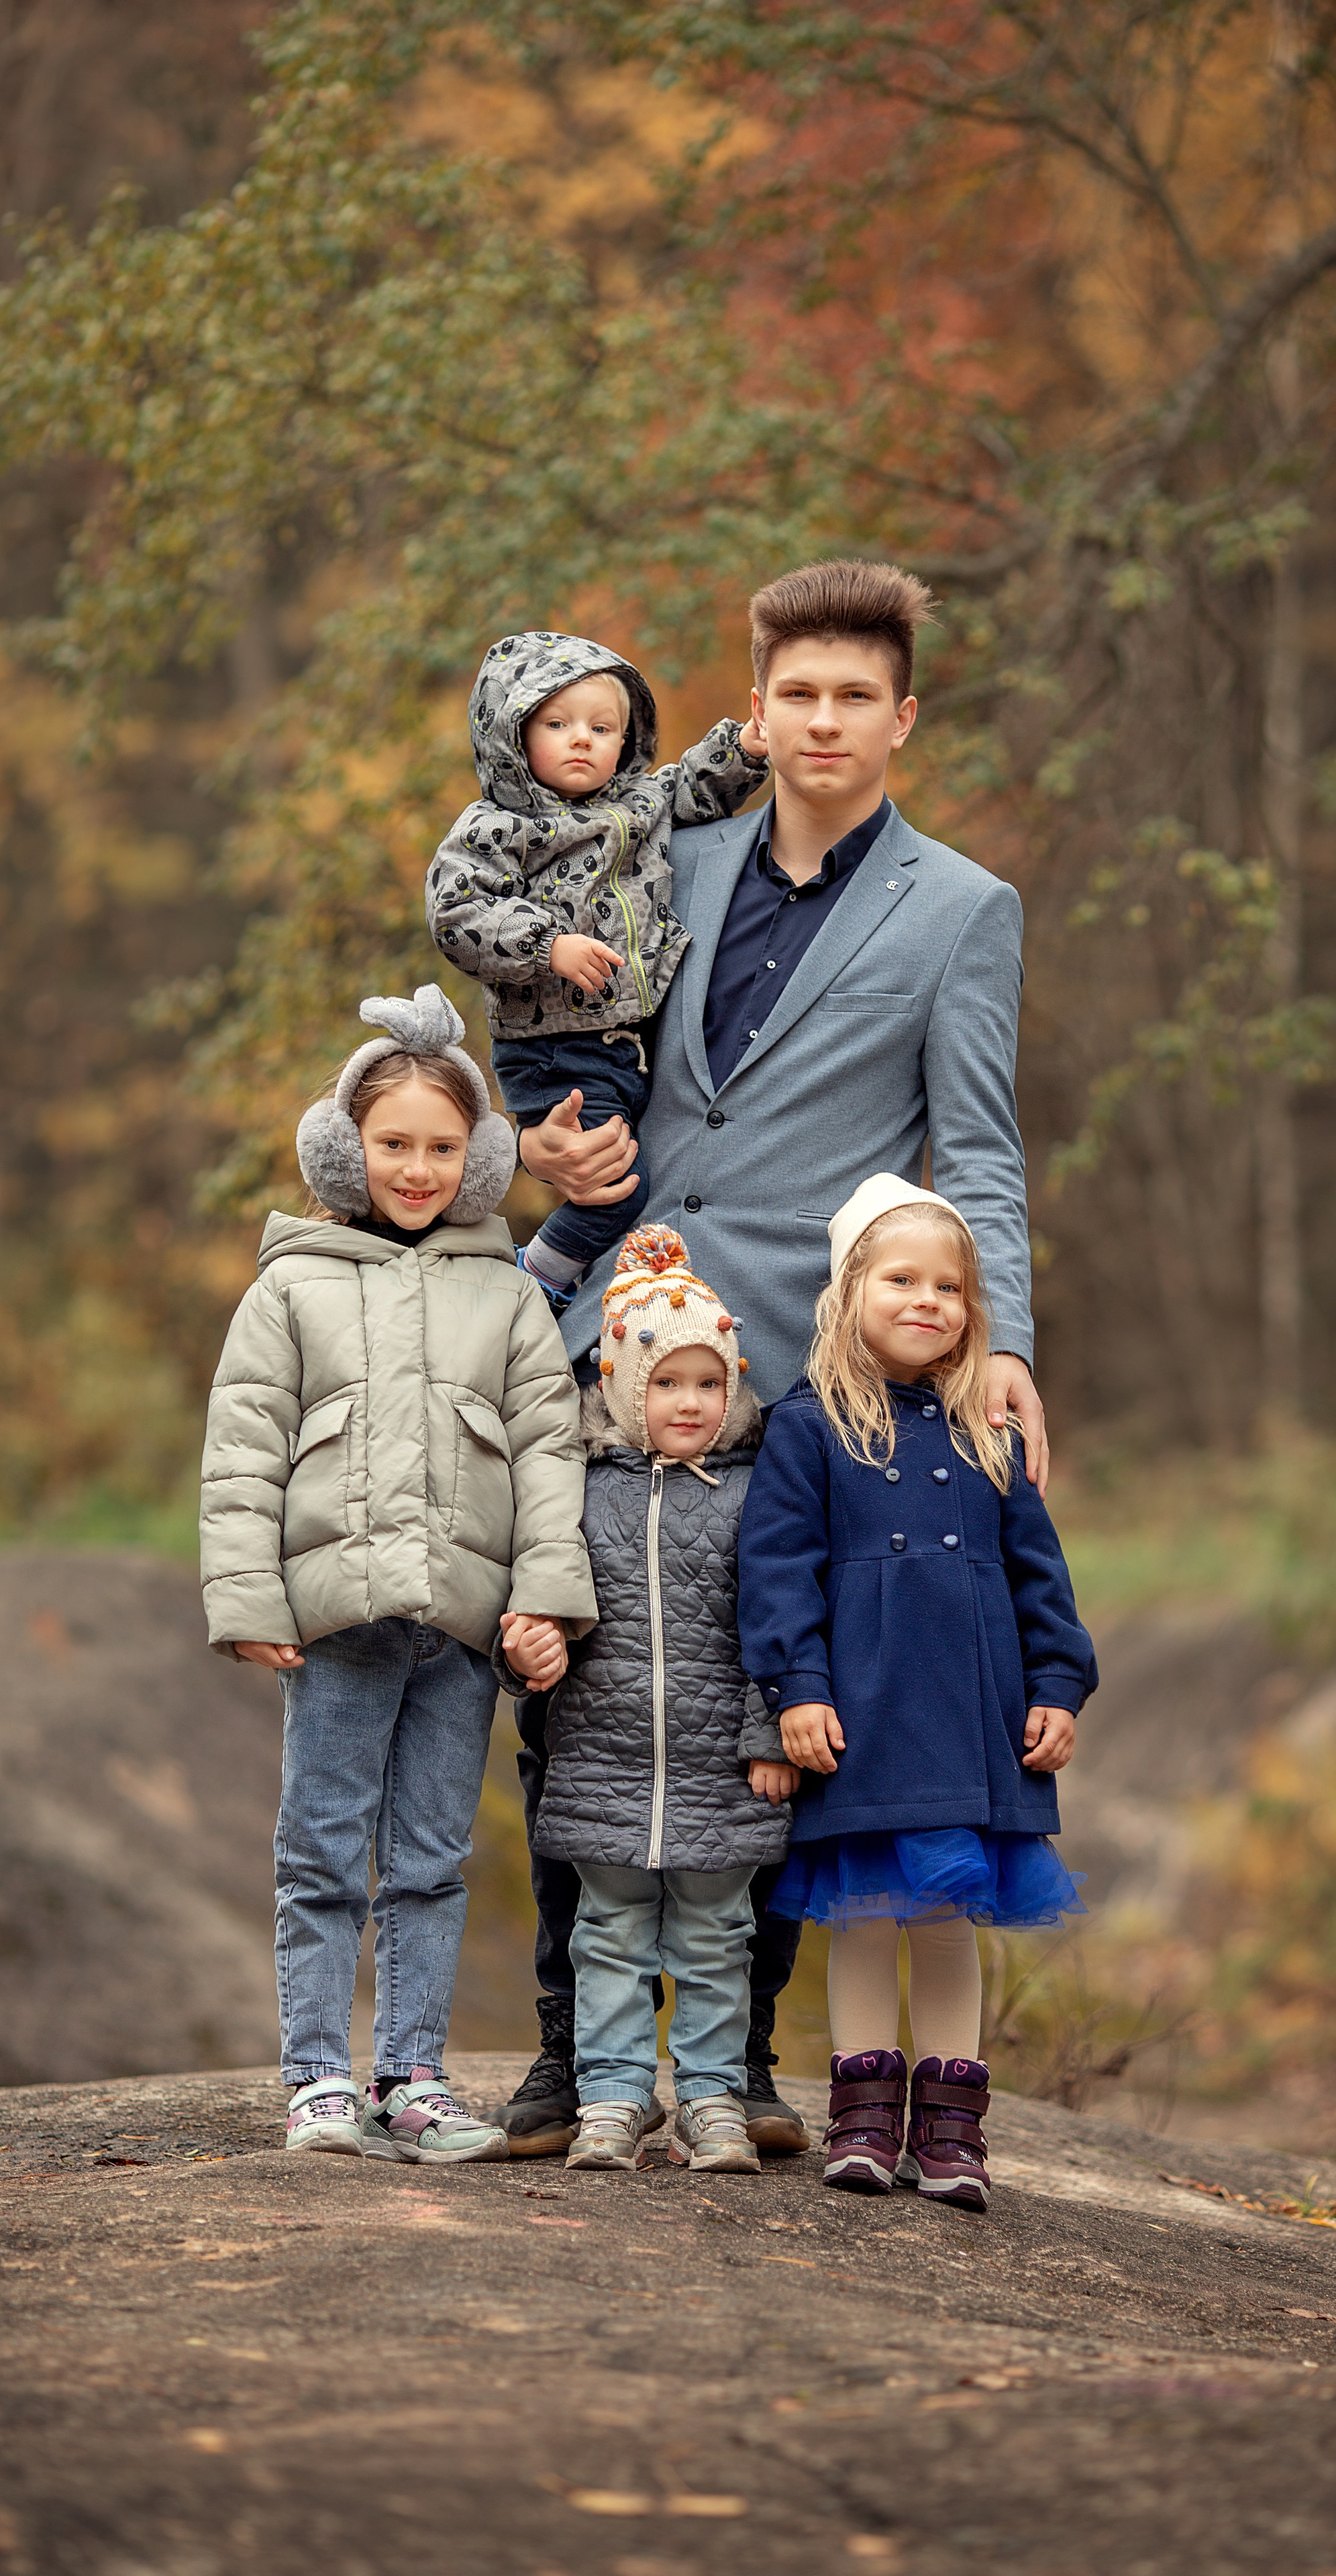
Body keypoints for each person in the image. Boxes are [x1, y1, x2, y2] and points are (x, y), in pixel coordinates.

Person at [498, 559, 1049, 2157]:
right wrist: (536, 1121)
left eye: (852, 696)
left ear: (900, 719)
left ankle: (736, 2068)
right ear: (756, 705)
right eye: (793, 692)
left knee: (771, 1689)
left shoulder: (959, 910)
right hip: (607, 1326)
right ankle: (565, 2057)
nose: (820, 718)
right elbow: (557, 1013)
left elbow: (980, 1149)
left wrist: (996, 1338)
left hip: (791, 1375)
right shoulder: (664, 845)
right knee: (579, 1679)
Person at [199, 985, 596, 2162]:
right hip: (338, 1627)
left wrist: (543, 1598)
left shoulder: (508, 1296)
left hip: (460, 1631)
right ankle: (318, 2079)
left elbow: (549, 1457)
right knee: (318, 1850)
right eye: (391, 1145)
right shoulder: (289, 1289)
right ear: (345, 1147)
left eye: (439, 1148)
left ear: (473, 1159)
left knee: (429, 1860)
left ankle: (413, 2077)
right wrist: (246, 1596)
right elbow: (243, 1450)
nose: (415, 1170)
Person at [737, 1175, 1097, 2212]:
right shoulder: (810, 1428)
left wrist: (1060, 1685)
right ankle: (861, 2120)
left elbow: (1042, 1576)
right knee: (864, 1914)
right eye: (902, 1278)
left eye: (949, 1287)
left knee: (944, 1917)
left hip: (973, 1719)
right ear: (850, 1291)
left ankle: (950, 2135)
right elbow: (774, 1573)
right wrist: (796, 1687)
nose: (927, 1300)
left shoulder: (989, 1431)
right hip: (863, 1716)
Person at [507, 1223, 797, 2175]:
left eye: (709, 1383)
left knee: (719, 1939)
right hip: (604, 1762)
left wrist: (771, 1732)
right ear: (621, 1382)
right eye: (666, 1382)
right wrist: (530, 1649)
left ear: (734, 1384)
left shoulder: (756, 1495)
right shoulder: (579, 1492)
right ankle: (615, 2095)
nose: (690, 1402)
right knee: (609, 1938)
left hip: (725, 1769)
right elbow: (536, 1607)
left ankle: (712, 2099)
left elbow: (784, 1627)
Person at [425, 630, 768, 1303]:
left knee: (652, 1177)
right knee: (614, 1189)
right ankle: (532, 1285)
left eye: (601, 727)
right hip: (555, 1049)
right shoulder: (496, 828)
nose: (581, 739)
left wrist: (747, 748)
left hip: (629, 1043)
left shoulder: (638, 804)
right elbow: (455, 913)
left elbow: (696, 787)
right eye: (557, 724)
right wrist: (547, 946)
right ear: (514, 737)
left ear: (625, 739)